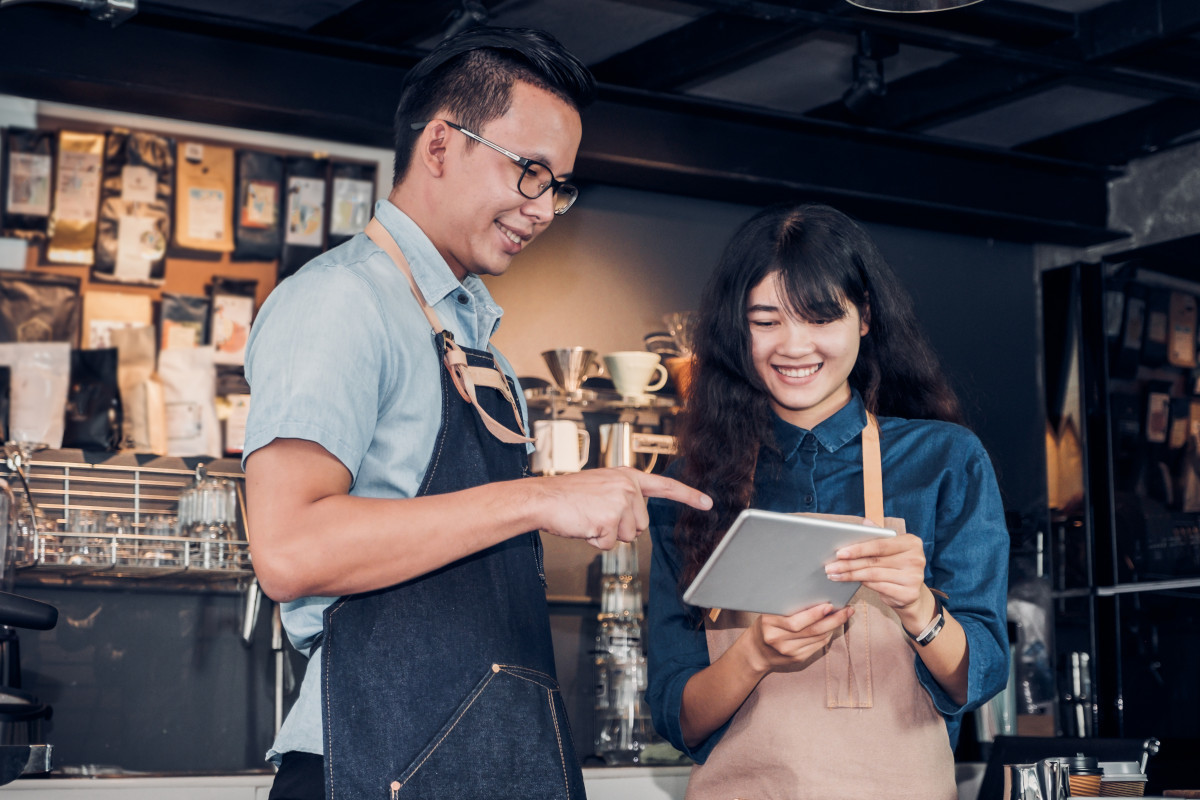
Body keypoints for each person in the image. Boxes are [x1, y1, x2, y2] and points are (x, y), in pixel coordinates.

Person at [242, 27, 712, 800]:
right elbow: (289, 549)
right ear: (438, 146)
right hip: (376, 761)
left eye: (558, 186)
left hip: (478, 758)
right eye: (530, 173)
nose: (544, 209)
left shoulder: (463, 329)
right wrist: (539, 496)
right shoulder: (341, 301)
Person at [645, 203, 1009, 800]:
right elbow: (677, 717)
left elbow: (982, 675)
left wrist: (917, 607)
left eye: (819, 318)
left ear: (864, 317)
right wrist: (756, 652)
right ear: (739, 329)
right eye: (766, 321)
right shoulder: (691, 485)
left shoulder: (945, 460)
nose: (794, 346)